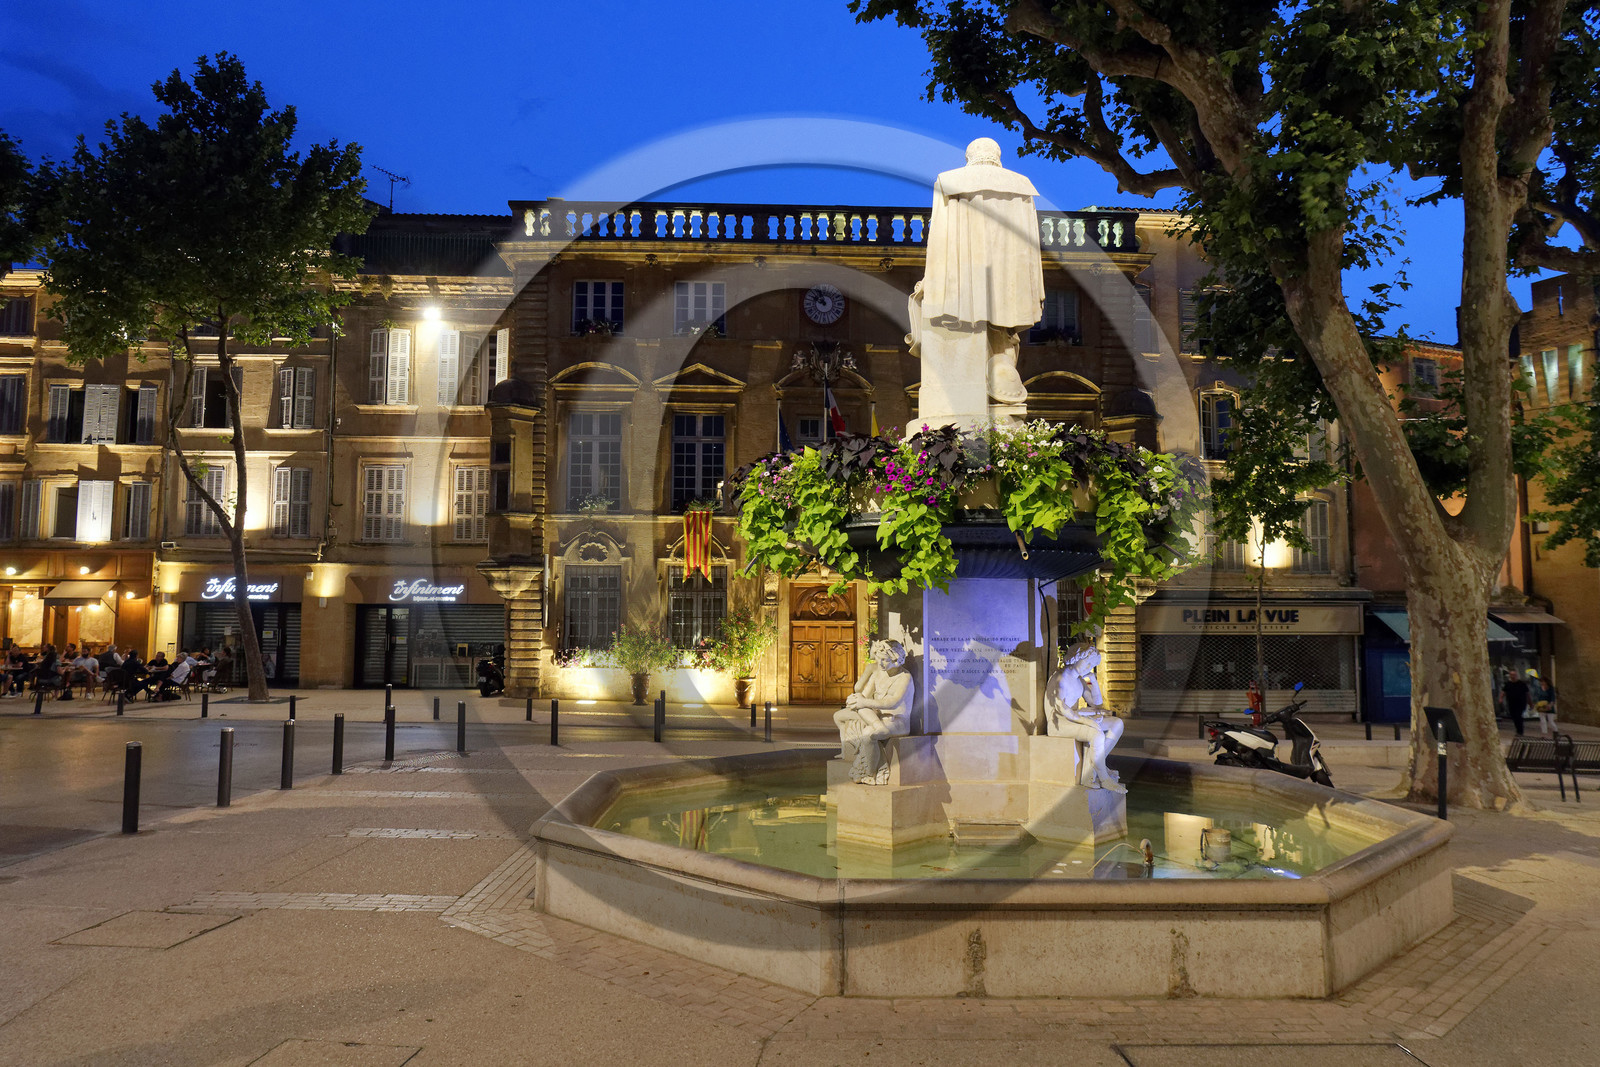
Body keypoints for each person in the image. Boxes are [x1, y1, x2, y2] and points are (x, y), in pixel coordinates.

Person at [906, 136, 1045, 429]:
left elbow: (941, 238)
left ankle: (984, 389)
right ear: (997, 155)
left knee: (967, 336)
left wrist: (932, 281)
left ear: (969, 156)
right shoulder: (1021, 186)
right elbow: (1030, 245)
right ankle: (1000, 391)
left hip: (962, 282)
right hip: (1008, 280)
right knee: (1003, 338)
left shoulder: (949, 180)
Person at [1044, 644, 1126, 792]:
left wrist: (1093, 680)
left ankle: (1092, 770)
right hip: (1058, 723)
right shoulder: (1061, 678)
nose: (1088, 667)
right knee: (1096, 733)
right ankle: (1104, 778)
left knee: (1117, 724)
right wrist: (1087, 721)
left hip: (1072, 718)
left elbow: (1096, 703)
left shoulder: (1079, 680)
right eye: (1087, 662)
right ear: (1076, 657)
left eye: (1092, 665)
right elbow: (1061, 708)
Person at [833, 639, 915, 785]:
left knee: (869, 734)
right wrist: (855, 700)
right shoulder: (879, 673)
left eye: (885, 660)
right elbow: (864, 694)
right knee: (844, 712)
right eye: (878, 659)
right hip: (877, 716)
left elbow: (893, 702)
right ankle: (853, 748)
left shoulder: (905, 677)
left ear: (896, 659)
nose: (881, 664)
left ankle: (869, 773)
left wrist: (864, 702)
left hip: (897, 720)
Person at [1527, 669, 1558, 736]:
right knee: (1542, 721)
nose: (1541, 683)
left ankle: (1556, 732)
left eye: (1542, 682)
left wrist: (1550, 705)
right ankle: (1544, 734)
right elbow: (1537, 697)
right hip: (1541, 706)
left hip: (1549, 706)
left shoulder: (1551, 689)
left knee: (1550, 721)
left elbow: (1553, 698)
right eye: (1541, 682)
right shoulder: (1540, 688)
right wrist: (1535, 704)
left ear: (1546, 682)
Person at [1502, 669, 1529, 736]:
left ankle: (1520, 731)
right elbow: (1503, 692)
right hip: (1511, 703)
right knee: (1514, 716)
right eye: (1511, 675)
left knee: (1518, 716)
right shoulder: (1508, 684)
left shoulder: (1522, 684)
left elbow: (1527, 694)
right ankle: (1518, 729)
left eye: (1514, 675)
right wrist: (1501, 698)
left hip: (1520, 703)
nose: (1513, 676)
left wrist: (1530, 703)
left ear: (1516, 675)